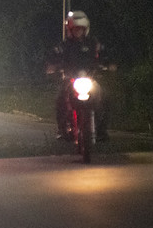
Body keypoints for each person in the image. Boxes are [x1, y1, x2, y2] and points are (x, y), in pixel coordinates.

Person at [45, 10, 110, 141]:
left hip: (90, 79)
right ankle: (62, 129)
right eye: (75, 29)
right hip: (71, 79)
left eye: (80, 29)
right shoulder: (65, 45)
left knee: (105, 97)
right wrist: (52, 66)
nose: (78, 31)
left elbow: (105, 54)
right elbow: (54, 55)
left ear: (85, 29)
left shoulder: (93, 43)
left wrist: (109, 64)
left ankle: (102, 130)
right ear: (70, 30)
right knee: (60, 99)